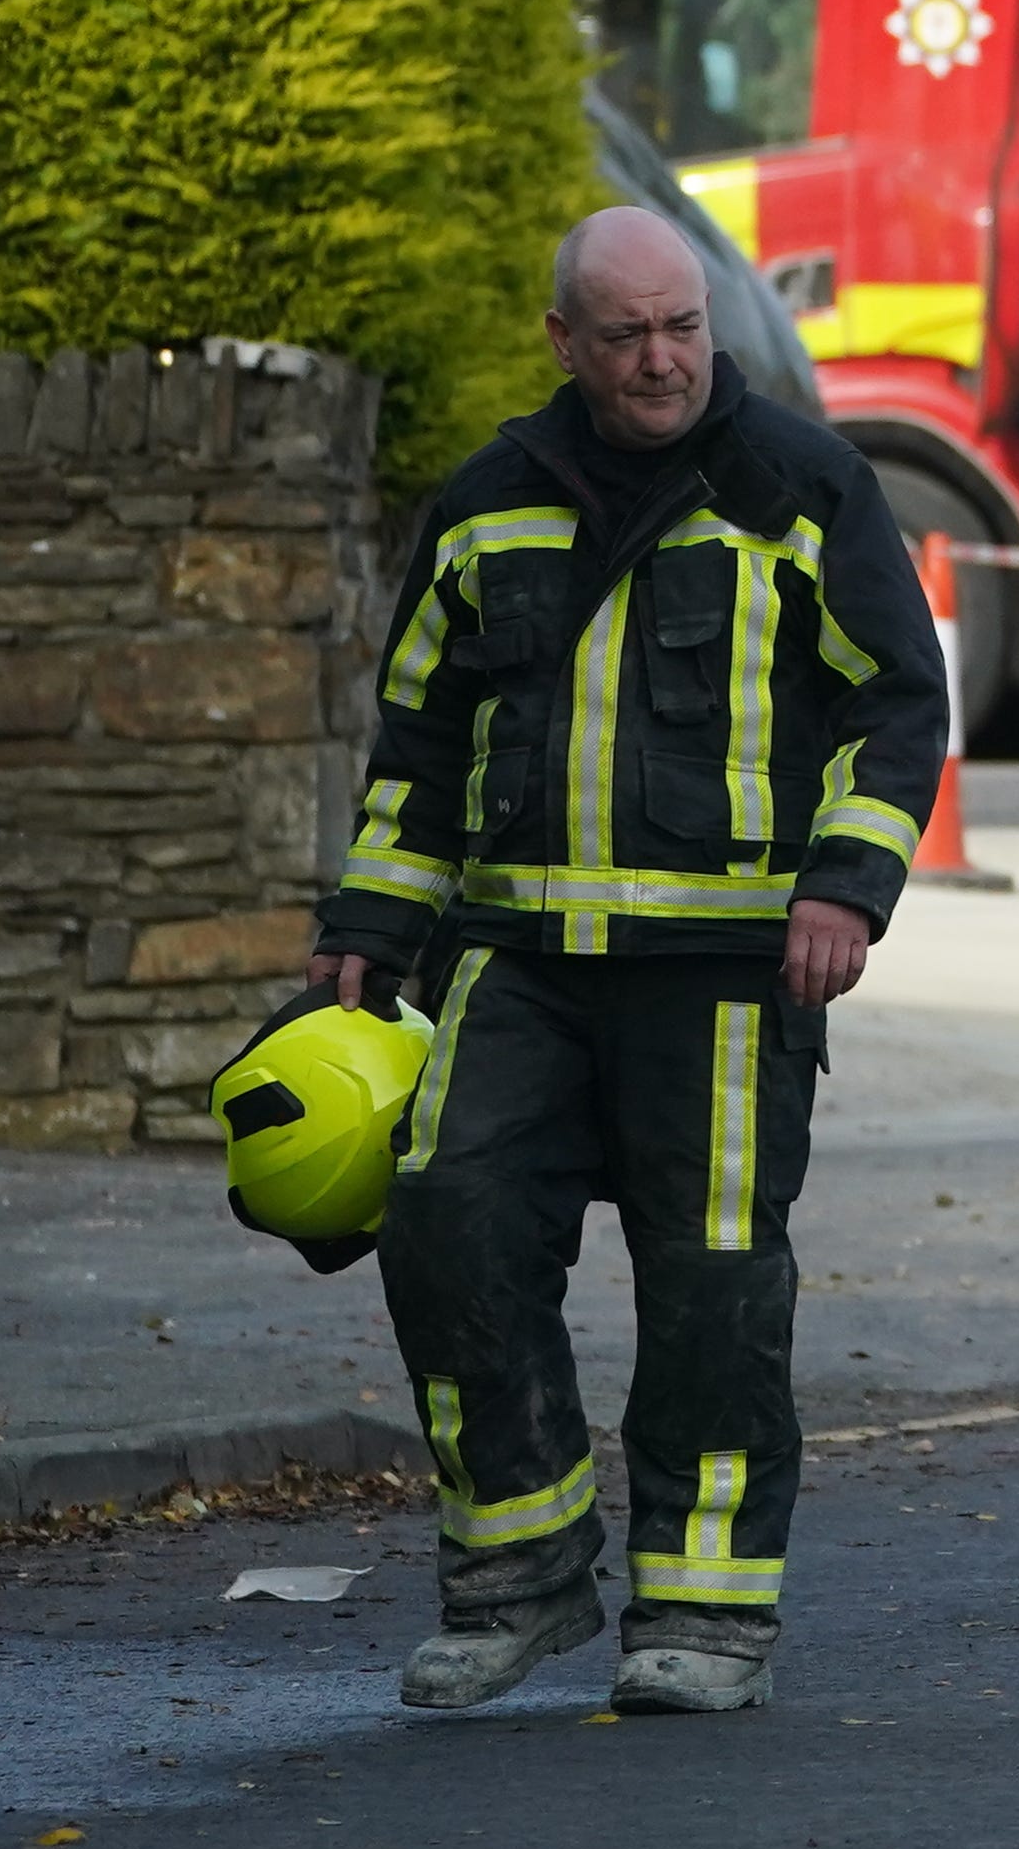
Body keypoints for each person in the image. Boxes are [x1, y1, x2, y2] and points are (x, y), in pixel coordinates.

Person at [314, 209, 951, 1717]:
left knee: (714, 1284)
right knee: (448, 1228)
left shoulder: (802, 486)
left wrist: (846, 892)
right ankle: (517, 1584)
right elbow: (417, 748)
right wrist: (366, 934)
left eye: (680, 329)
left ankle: (708, 1614)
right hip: (514, 956)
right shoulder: (487, 506)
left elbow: (896, 708)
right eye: (625, 336)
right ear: (566, 344)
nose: (660, 361)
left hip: (731, 976)